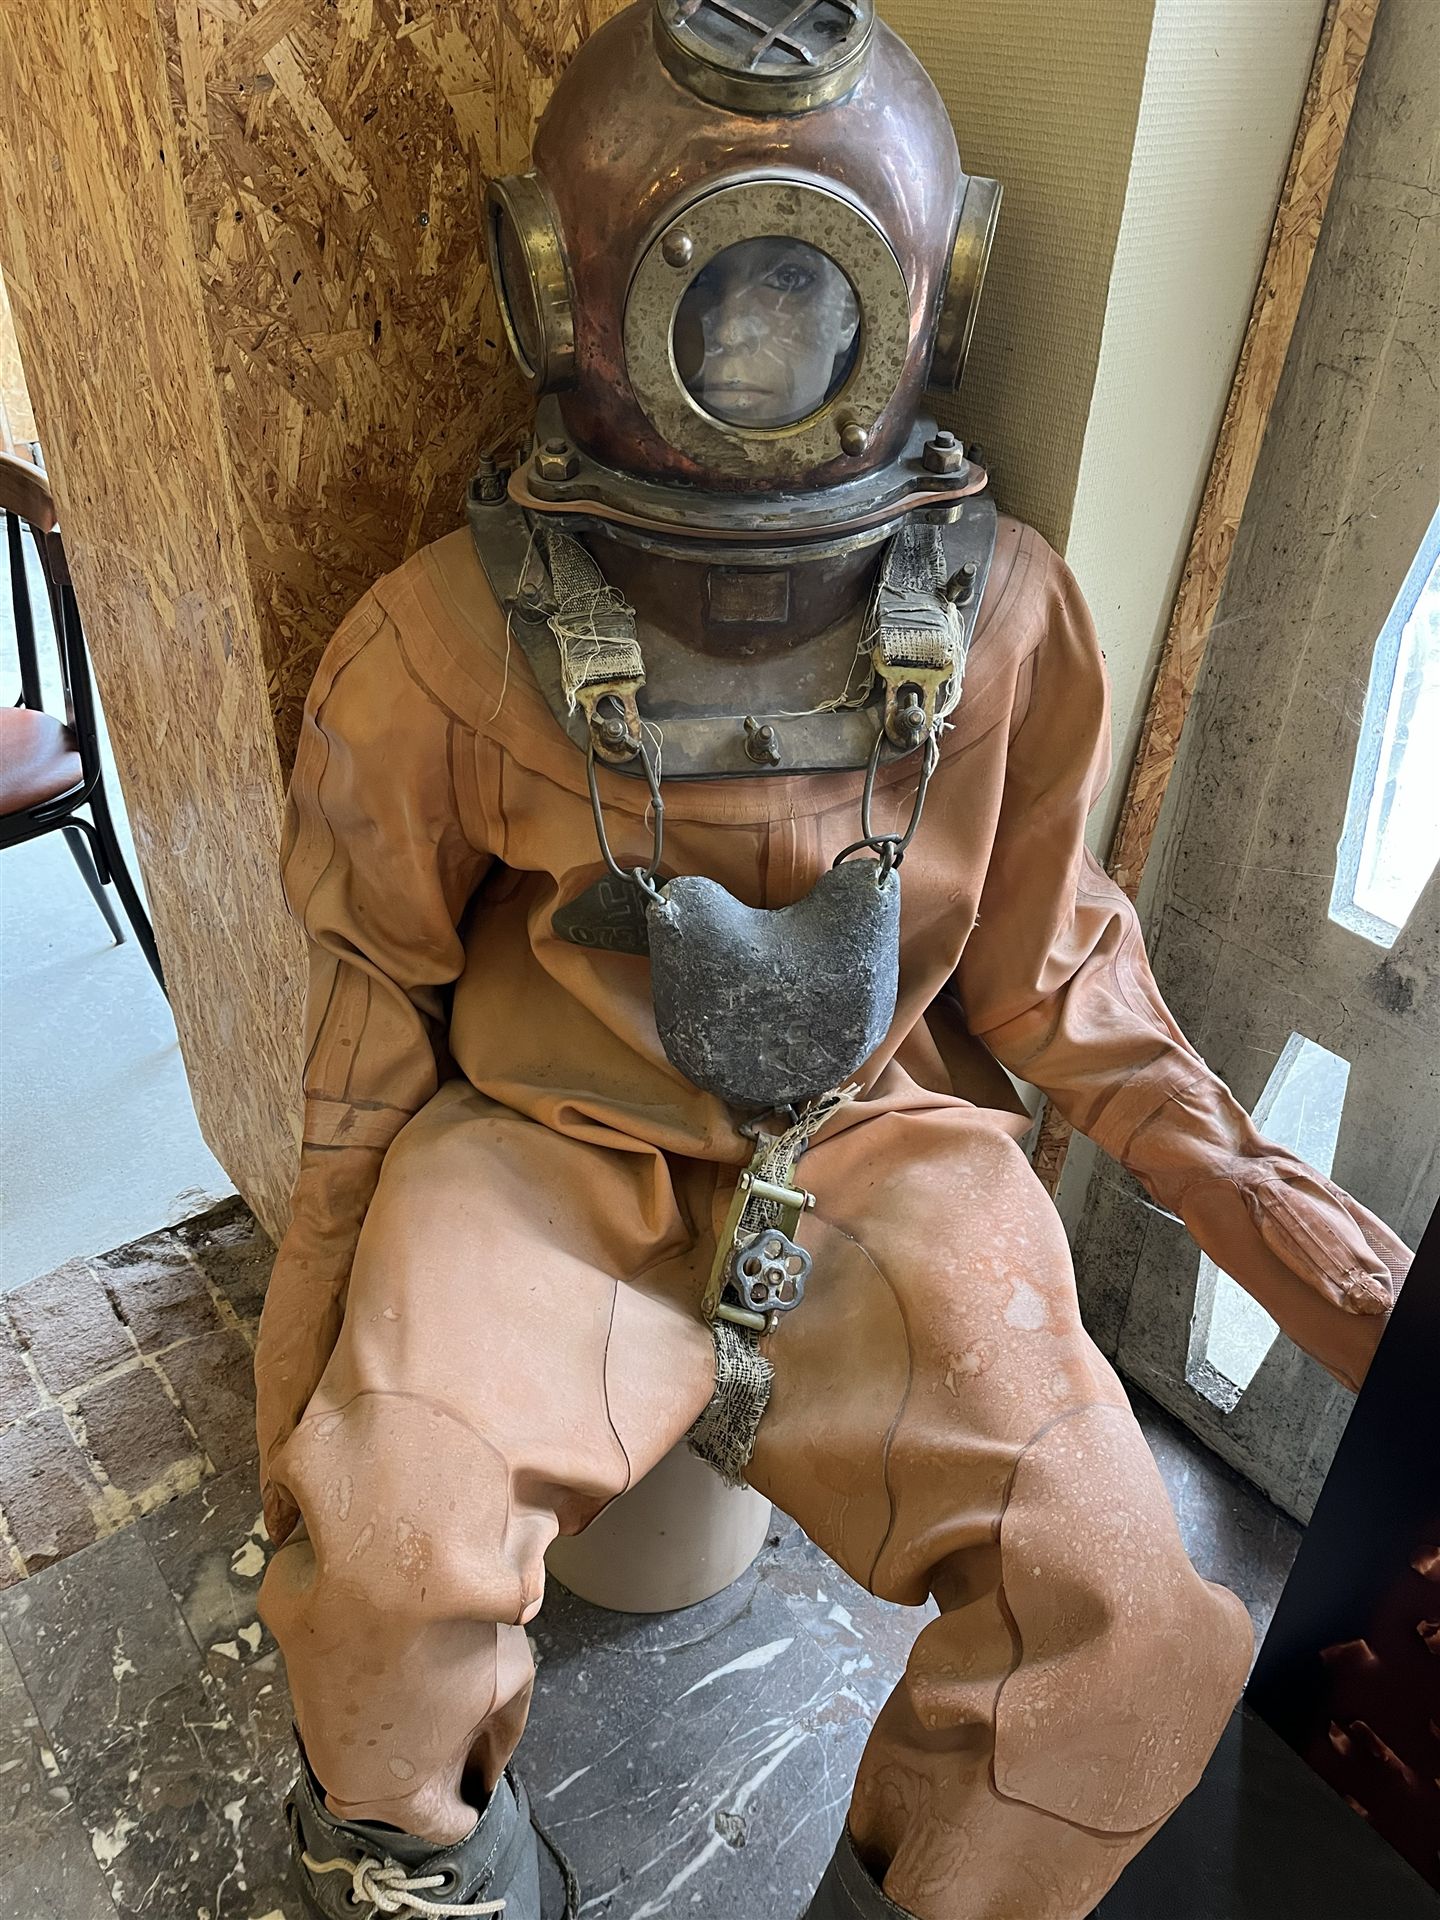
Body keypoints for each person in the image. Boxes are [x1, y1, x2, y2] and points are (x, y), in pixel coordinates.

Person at [255, 5, 1410, 1916]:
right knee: (380, 1574)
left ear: (938, 293)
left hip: (880, 1146)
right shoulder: (441, 647)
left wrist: (1339, 1275)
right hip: (540, 1152)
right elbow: (367, 1040)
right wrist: (296, 1450)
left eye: (807, 296)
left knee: (1125, 1625)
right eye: (712, 295)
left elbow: (1057, 979)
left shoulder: (1008, 620)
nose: (756, 353)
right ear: (554, 292)